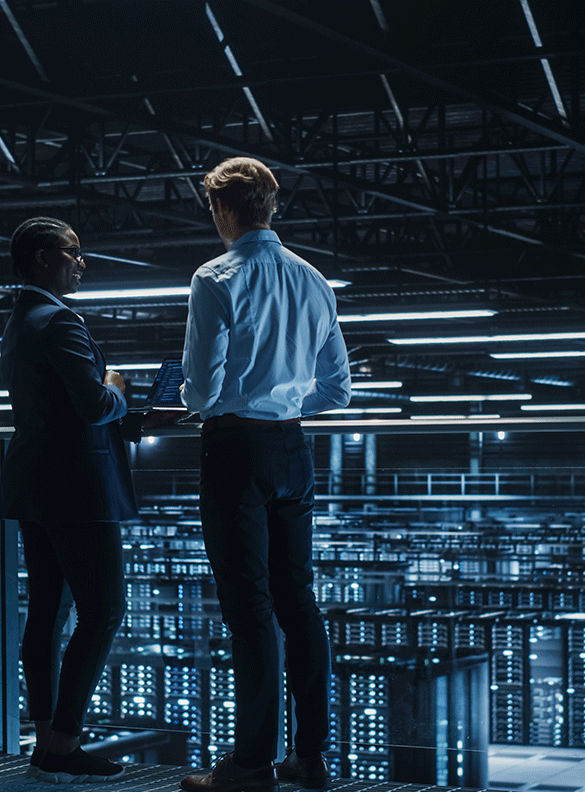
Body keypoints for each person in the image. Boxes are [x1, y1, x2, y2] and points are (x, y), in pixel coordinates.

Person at [179, 158, 351, 792]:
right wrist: (283, 401)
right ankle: (309, 757)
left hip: (233, 453)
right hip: (292, 450)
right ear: (271, 207)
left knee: (249, 609)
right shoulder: (313, 280)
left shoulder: (215, 277)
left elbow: (201, 389)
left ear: (222, 210)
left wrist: (232, 402)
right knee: (297, 601)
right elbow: (337, 389)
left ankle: (250, 764)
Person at [0, 216, 136, 784]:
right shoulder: (59, 321)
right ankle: (64, 745)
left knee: (48, 612)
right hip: (77, 488)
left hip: (34, 483)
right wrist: (121, 388)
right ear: (43, 258)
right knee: (103, 611)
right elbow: (95, 405)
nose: (82, 263)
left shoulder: (20, 318)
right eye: (73, 253)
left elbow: (55, 404)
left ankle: (46, 740)